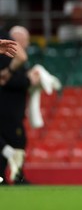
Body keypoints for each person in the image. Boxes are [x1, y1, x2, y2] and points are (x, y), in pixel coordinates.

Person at [0, 26, 40, 185]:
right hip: (6, 108)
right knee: (13, 141)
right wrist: (28, 80)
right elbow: (9, 79)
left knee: (17, 141)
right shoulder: (10, 56)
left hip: (13, 109)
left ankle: (13, 177)